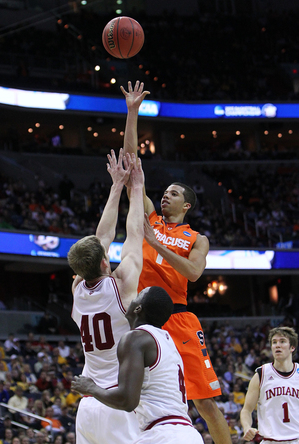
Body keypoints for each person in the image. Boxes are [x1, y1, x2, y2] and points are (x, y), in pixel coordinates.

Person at [121, 80, 231, 444]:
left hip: (178, 317)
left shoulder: (195, 238)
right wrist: (132, 112)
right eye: (163, 192)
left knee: (205, 404)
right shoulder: (149, 217)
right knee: (133, 401)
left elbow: (195, 272)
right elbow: (132, 165)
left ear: (186, 205)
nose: (164, 196)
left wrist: (158, 246)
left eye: (173, 194)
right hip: (140, 315)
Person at [67, 149, 144, 444]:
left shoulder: (76, 290)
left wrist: (115, 187)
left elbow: (101, 239)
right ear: (103, 262)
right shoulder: (121, 285)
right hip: (117, 399)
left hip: (87, 403)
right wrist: (134, 188)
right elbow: (134, 233)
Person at [72, 286, 204, 444]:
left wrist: (91, 388)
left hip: (163, 434)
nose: (133, 298)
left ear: (138, 308)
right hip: (188, 434)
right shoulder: (167, 341)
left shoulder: (135, 338)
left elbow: (127, 401)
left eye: (137, 296)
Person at [240, 326, 299, 442]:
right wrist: (247, 427)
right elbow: (246, 410)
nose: (277, 345)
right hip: (270, 440)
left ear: (292, 347)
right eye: (274, 342)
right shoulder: (261, 374)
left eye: (282, 341)